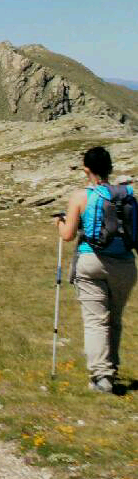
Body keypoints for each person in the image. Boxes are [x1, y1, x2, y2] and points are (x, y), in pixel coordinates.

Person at [56, 146, 136, 394]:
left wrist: (59, 223)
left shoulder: (81, 196)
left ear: (86, 169)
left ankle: (102, 377)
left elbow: (68, 235)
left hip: (91, 262)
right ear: (110, 168)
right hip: (124, 263)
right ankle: (111, 368)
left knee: (95, 321)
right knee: (114, 319)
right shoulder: (127, 196)